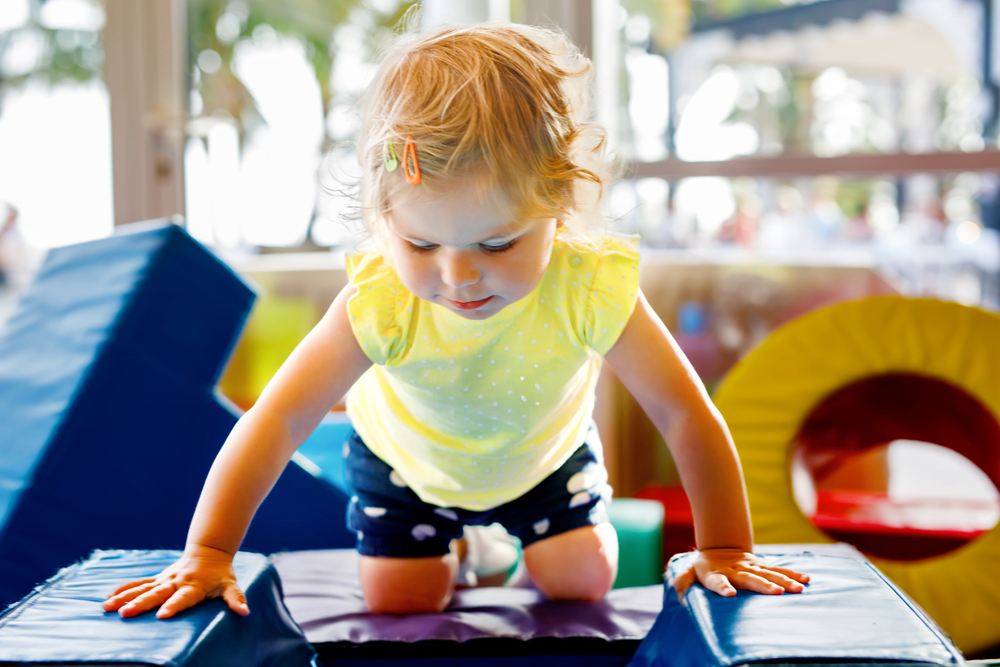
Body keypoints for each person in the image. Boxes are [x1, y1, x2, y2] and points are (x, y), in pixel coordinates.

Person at [103, 23, 808, 620]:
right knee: (402, 601)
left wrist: (725, 547)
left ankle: (504, 545)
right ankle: (471, 548)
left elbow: (684, 412)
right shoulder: (381, 303)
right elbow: (278, 418)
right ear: (384, 220)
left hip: (544, 459)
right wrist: (209, 552)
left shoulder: (589, 286)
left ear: (558, 208)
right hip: (407, 466)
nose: (457, 275)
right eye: (420, 243)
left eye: (497, 243)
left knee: (583, 581)